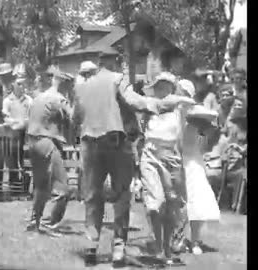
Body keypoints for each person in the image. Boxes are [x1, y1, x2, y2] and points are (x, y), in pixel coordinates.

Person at [73, 53, 195, 267]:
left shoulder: (82, 85)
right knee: (121, 196)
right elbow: (137, 102)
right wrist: (168, 103)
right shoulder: (118, 79)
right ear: (116, 62)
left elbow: (75, 116)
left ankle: (91, 246)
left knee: (92, 195)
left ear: (99, 64)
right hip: (115, 143)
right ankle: (118, 249)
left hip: (89, 144)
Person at [138, 72, 189, 263]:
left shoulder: (180, 107)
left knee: (171, 205)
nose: (163, 89)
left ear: (172, 88)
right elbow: (140, 131)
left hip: (172, 157)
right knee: (155, 204)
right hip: (150, 154)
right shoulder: (148, 106)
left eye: (166, 85)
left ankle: (166, 248)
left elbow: (192, 133)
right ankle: (158, 246)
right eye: (159, 85)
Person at [25, 67, 75, 234]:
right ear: (64, 84)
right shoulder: (59, 99)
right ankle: (47, 224)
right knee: (62, 189)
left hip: (32, 142)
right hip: (46, 142)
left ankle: (34, 221)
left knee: (41, 187)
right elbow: (75, 117)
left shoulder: (38, 98)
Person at [180, 105, 221, 255]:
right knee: (180, 205)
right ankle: (179, 239)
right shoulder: (176, 120)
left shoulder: (200, 124)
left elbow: (205, 146)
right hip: (179, 163)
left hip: (194, 165)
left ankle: (195, 240)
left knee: (197, 203)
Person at [2, 75, 33, 191]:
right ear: (13, 85)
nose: (22, 86)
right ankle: (14, 185)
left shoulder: (29, 100)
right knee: (12, 161)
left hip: (26, 136)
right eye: (19, 84)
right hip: (12, 137)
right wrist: (18, 123)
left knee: (25, 162)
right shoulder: (7, 101)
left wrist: (21, 123)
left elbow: (31, 117)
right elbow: (6, 119)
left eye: (23, 83)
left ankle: (25, 186)